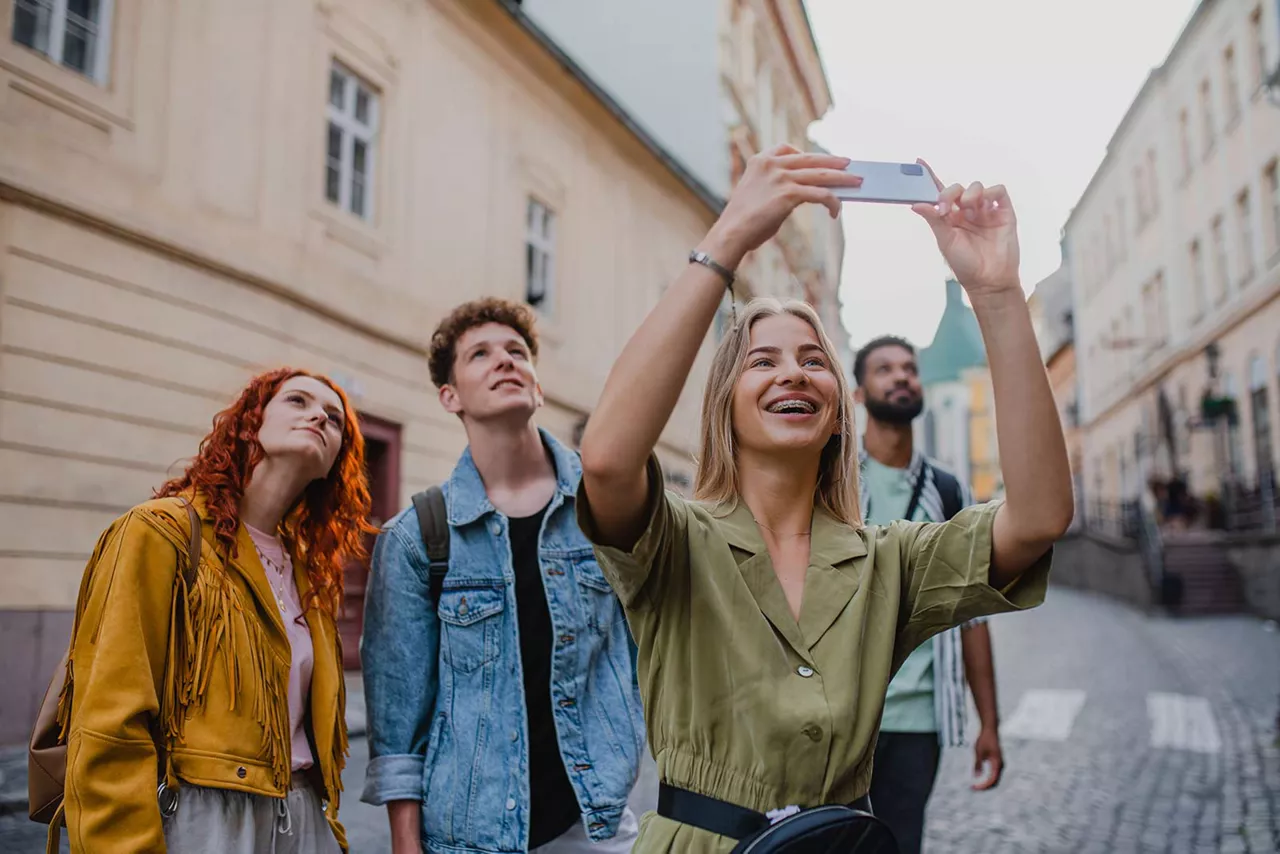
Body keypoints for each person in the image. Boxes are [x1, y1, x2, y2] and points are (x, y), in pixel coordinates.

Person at [575, 144, 1074, 853]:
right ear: (725, 404)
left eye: (815, 361)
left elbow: (1040, 517)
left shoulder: (888, 559)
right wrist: (729, 239)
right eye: (763, 361)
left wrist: (995, 294)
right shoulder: (675, 541)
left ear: (842, 409)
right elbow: (606, 458)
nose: (795, 374)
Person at [360, 298, 643, 854]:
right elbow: (399, 721)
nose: (505, 361)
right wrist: (406, 846)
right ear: (451, 396)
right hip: (467, 834)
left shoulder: (601, 507)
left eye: (517, 352)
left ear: (537, 388)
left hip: (595, 826)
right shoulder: (418, 535)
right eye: (481, 354)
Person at [57, 368, 374, 853]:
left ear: (335, 461)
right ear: (250, 423)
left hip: (303, 815)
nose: (319, 416)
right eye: (297, 401)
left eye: (334, 418)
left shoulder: (310, 575)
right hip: (203, 819)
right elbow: (108, 724)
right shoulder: (159, 533)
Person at [853, 335, 1005, 854]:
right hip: (841, 715)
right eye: (885, 369)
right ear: (858, 392)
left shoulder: (948, 490)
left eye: (909, 369)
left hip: (920, 720)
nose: (901, 377)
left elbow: (972, 616)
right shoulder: (832, 482)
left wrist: (989, 723)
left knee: (899, 844)